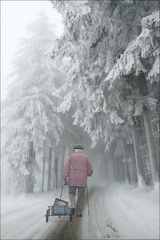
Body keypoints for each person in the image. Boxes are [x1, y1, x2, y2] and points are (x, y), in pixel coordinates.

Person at [64, 144, 93, 217]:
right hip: (82, 180)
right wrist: (89, 174)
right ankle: (79, 212)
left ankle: (72, 207)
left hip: (72, 179)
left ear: (75, 150)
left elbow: (66, 168)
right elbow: (90, 170)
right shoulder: (86, 158)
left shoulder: (71, 157)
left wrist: (65, 177)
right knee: (81, 196)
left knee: (72, 194)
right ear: (82, 150)